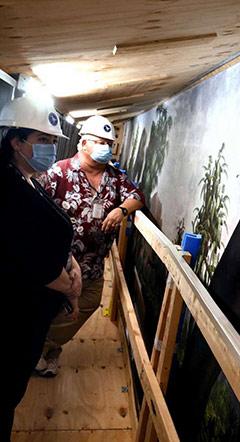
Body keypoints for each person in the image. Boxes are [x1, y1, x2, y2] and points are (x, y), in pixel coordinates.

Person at [36, 115, 145, 376]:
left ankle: (43, 345)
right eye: (99, 141)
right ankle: (46, 353)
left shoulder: (114, 177)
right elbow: (35, 206)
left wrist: (121, 209)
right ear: (83, 143)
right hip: (60, 263)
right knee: (49, 305)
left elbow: (137, 196)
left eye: (109, 142)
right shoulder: (59, 172)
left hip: (94, 264)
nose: (105, 146)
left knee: (88, 302)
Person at [0, 96, 82, 438]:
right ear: (16, 142)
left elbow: (48, 234)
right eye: (42, 140)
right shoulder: (6, 187)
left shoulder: (28, 180)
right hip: (9, 319)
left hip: (27, 320)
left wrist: (70, 261)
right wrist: (66, 285)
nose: (50, 147)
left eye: (52, 141)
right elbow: (21, 253)